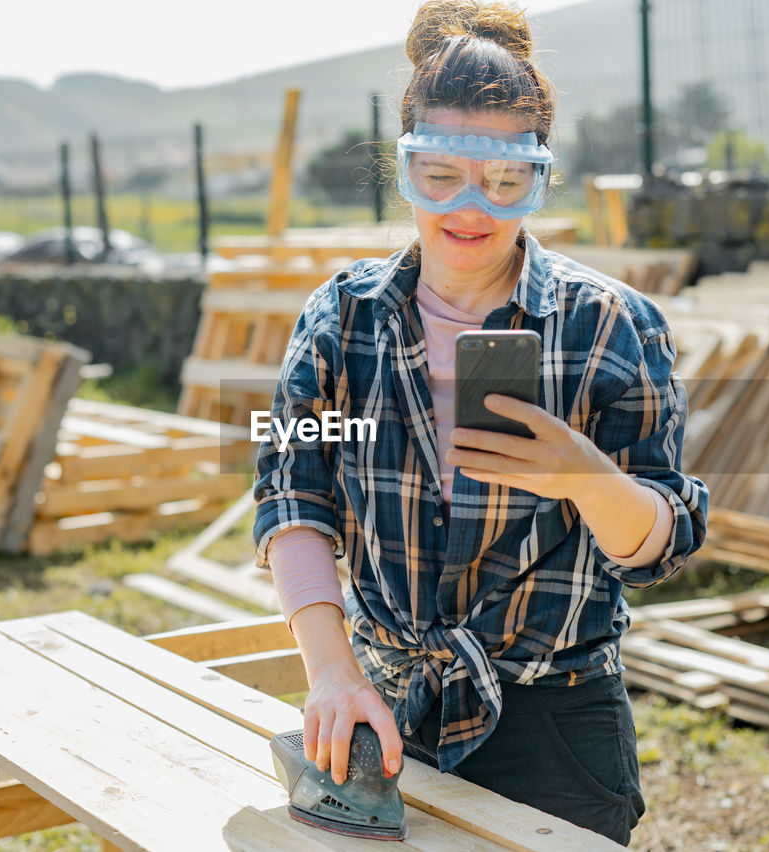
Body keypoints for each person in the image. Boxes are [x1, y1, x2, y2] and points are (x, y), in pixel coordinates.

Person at [253, 0, 709, 844]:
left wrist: (585, 478)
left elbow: (665, 542)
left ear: (540, 175)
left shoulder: (608, 324)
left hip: (554, 725)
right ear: (403, 166)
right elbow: (292, 493)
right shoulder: (345, 318)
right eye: (441, 174)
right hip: (378, 707)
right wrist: (329, 674)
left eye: (506, 181)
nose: (473, 208)